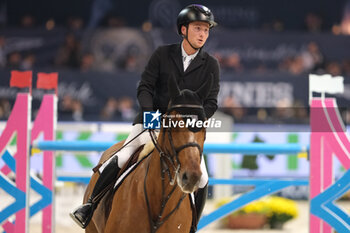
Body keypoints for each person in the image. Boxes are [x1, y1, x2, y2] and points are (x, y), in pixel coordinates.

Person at [70, 4, 220, 232]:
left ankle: (192, 226)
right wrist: (151, 114)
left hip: (185, 130)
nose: (203, 34)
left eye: (206, 30)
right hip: (152, 122)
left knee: (201, 178)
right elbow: (145, 87)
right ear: (183, 30)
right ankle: (89, 208)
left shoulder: (211, 64)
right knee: (121, 156)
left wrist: (196, 120)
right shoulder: (162, 54)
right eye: (198, 28)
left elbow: (211, 102)